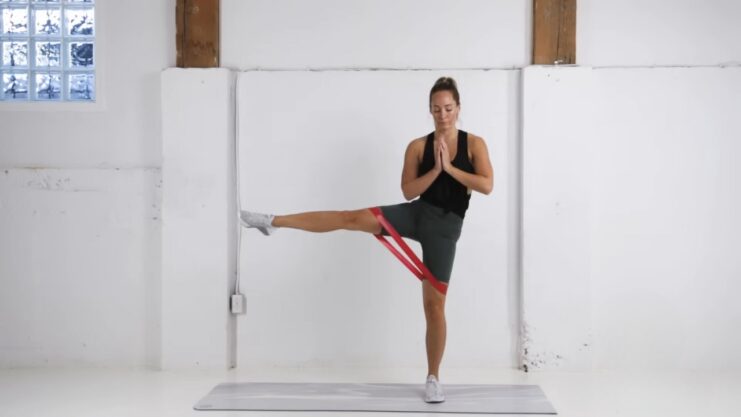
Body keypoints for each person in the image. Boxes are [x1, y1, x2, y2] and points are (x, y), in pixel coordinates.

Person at [240, 76, 494, 403]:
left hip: (445, 229)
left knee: (434, 307)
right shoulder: (418, 146)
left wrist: (449, 168)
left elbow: (486, 185)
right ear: (429, 110)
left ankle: (433, 377)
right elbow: (408, 190)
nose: (442, 115)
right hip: (418, 214)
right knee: (351, 217)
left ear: (458, 108)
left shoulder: (475, 144)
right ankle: (273, 221)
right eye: (436, 109)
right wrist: (434, 171)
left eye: (448, 108)